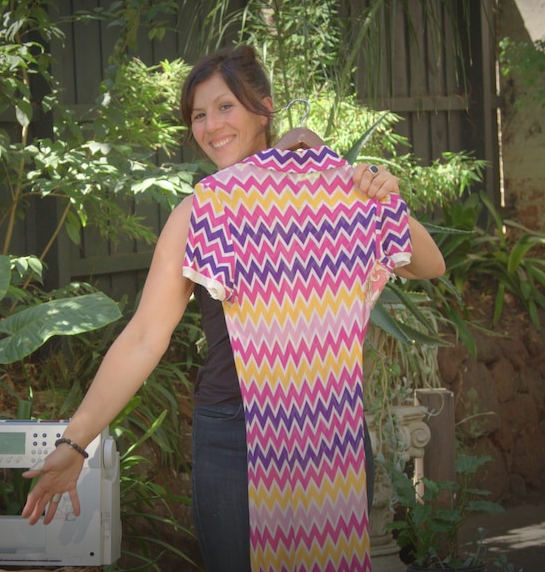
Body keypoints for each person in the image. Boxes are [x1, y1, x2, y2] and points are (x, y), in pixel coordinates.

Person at [22, 44, 445, 571]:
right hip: (233, 433)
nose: (210, 125)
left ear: (263, 107)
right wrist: (75, 443)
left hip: (327, 429)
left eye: (225, 107)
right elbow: (145, 337)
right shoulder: (203, 212)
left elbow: (429, 264)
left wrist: (376, 191)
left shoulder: (336, 195)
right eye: (199, 115)